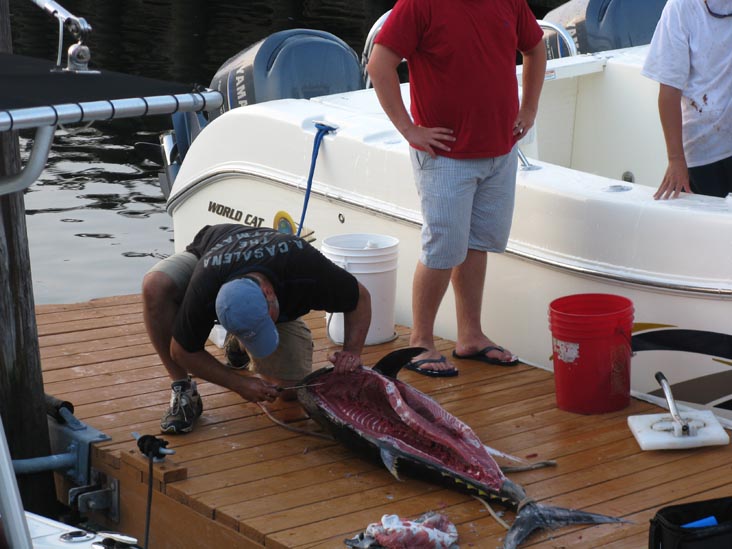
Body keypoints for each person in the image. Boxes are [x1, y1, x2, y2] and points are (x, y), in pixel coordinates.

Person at [366, 0, 546, 376]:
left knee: (476, 243)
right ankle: (420, 341)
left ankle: (471, 336)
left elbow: (535, 47)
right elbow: (379, 64)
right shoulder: (419, 5)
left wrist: (529, 108)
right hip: (445, 156)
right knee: (443, 248)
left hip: (500, 151)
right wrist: (409, 129)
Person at [142, 224, 371, 434]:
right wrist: (238, 384)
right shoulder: (205, 286)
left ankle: (240, 342)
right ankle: (183, 390)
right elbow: (181, 351)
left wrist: (352, 352)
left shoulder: (306, 266)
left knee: (289, 391)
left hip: (274, 271)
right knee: (155, 286)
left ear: (269, 294)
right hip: (210, 252)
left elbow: (360, 298)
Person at [642, 0, 732, 200]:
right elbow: (669, 92)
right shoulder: (679, 8)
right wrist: (675, 160)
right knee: (709, 227)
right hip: (703, 154)